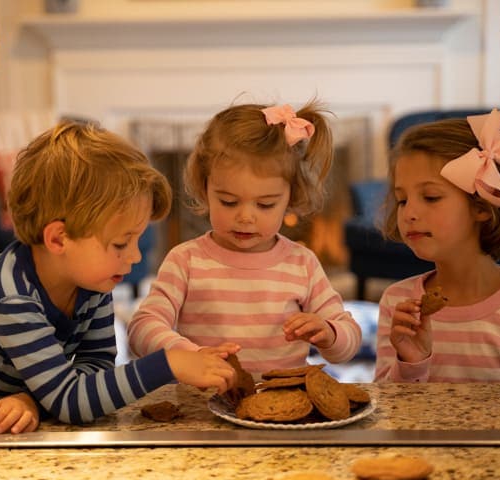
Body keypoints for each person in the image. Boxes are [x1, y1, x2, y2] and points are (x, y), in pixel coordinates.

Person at [0, 121, 237, 433]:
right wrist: (168, 362)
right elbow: (72, 403)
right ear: (58, 239)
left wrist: (36, 398)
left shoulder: (92, 280)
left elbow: (94, 365)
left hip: (0, 400)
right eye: (120, 243)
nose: (135, 257)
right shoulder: (13, 299)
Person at [127, 101, 362, 374]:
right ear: (205, 189)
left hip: (282, 406)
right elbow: (141, 329)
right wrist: (193, 356)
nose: (246, 217)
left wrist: (330, 333)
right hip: (202, 407)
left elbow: (350, 342)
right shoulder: (186, 260)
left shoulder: (302, 263)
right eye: (228, 202)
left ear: (291, 198)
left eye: (265, 205)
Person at [374, 109, 500, 382]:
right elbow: (387, 413)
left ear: (482, 206)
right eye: (402, 200)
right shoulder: (398, 303)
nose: (408, 213)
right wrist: (412, 363)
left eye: (431, 197)